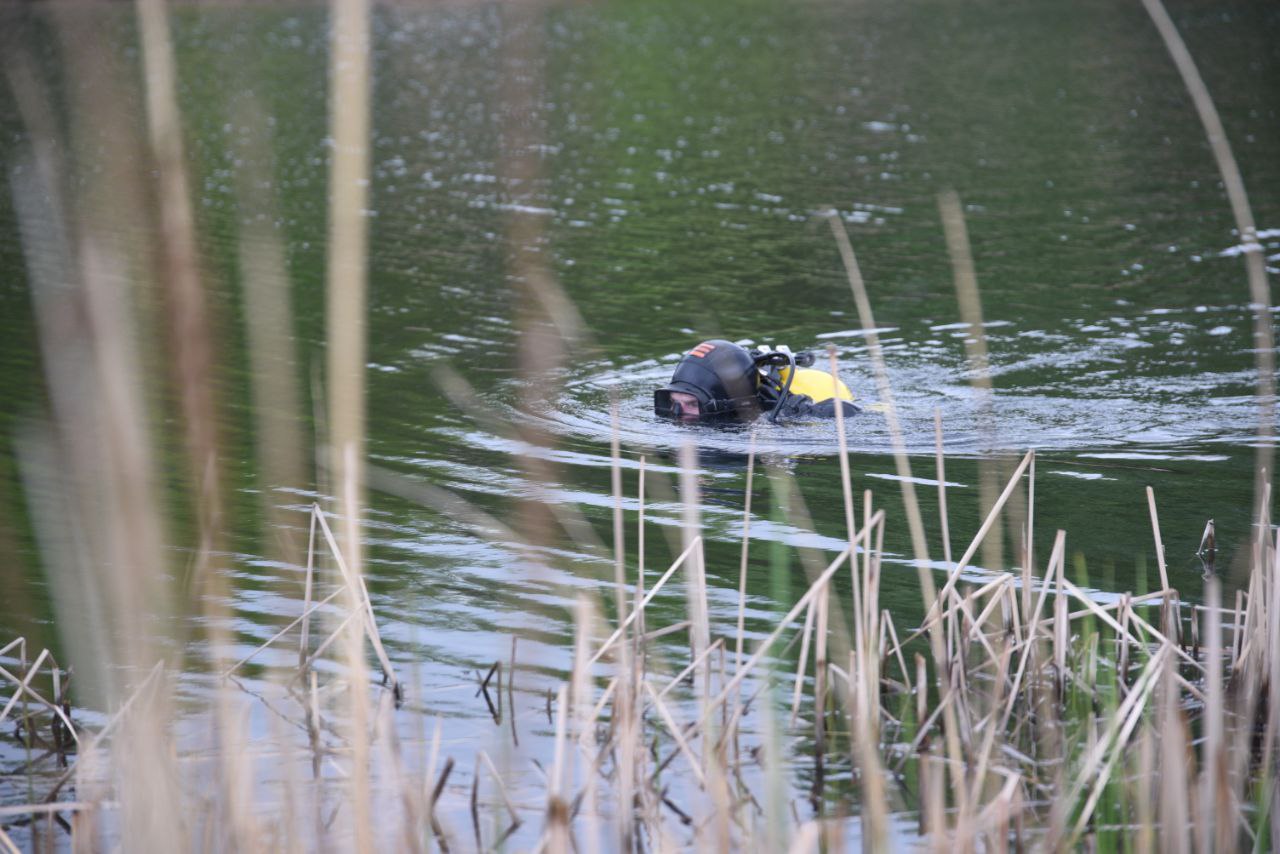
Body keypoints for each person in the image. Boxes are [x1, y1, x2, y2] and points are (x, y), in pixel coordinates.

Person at [654, 339, 858, 424]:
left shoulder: (766, 414)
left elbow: (849, 409)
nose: (677, 414)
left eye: (691, 404)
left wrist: (803, 414)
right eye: (674, 402)